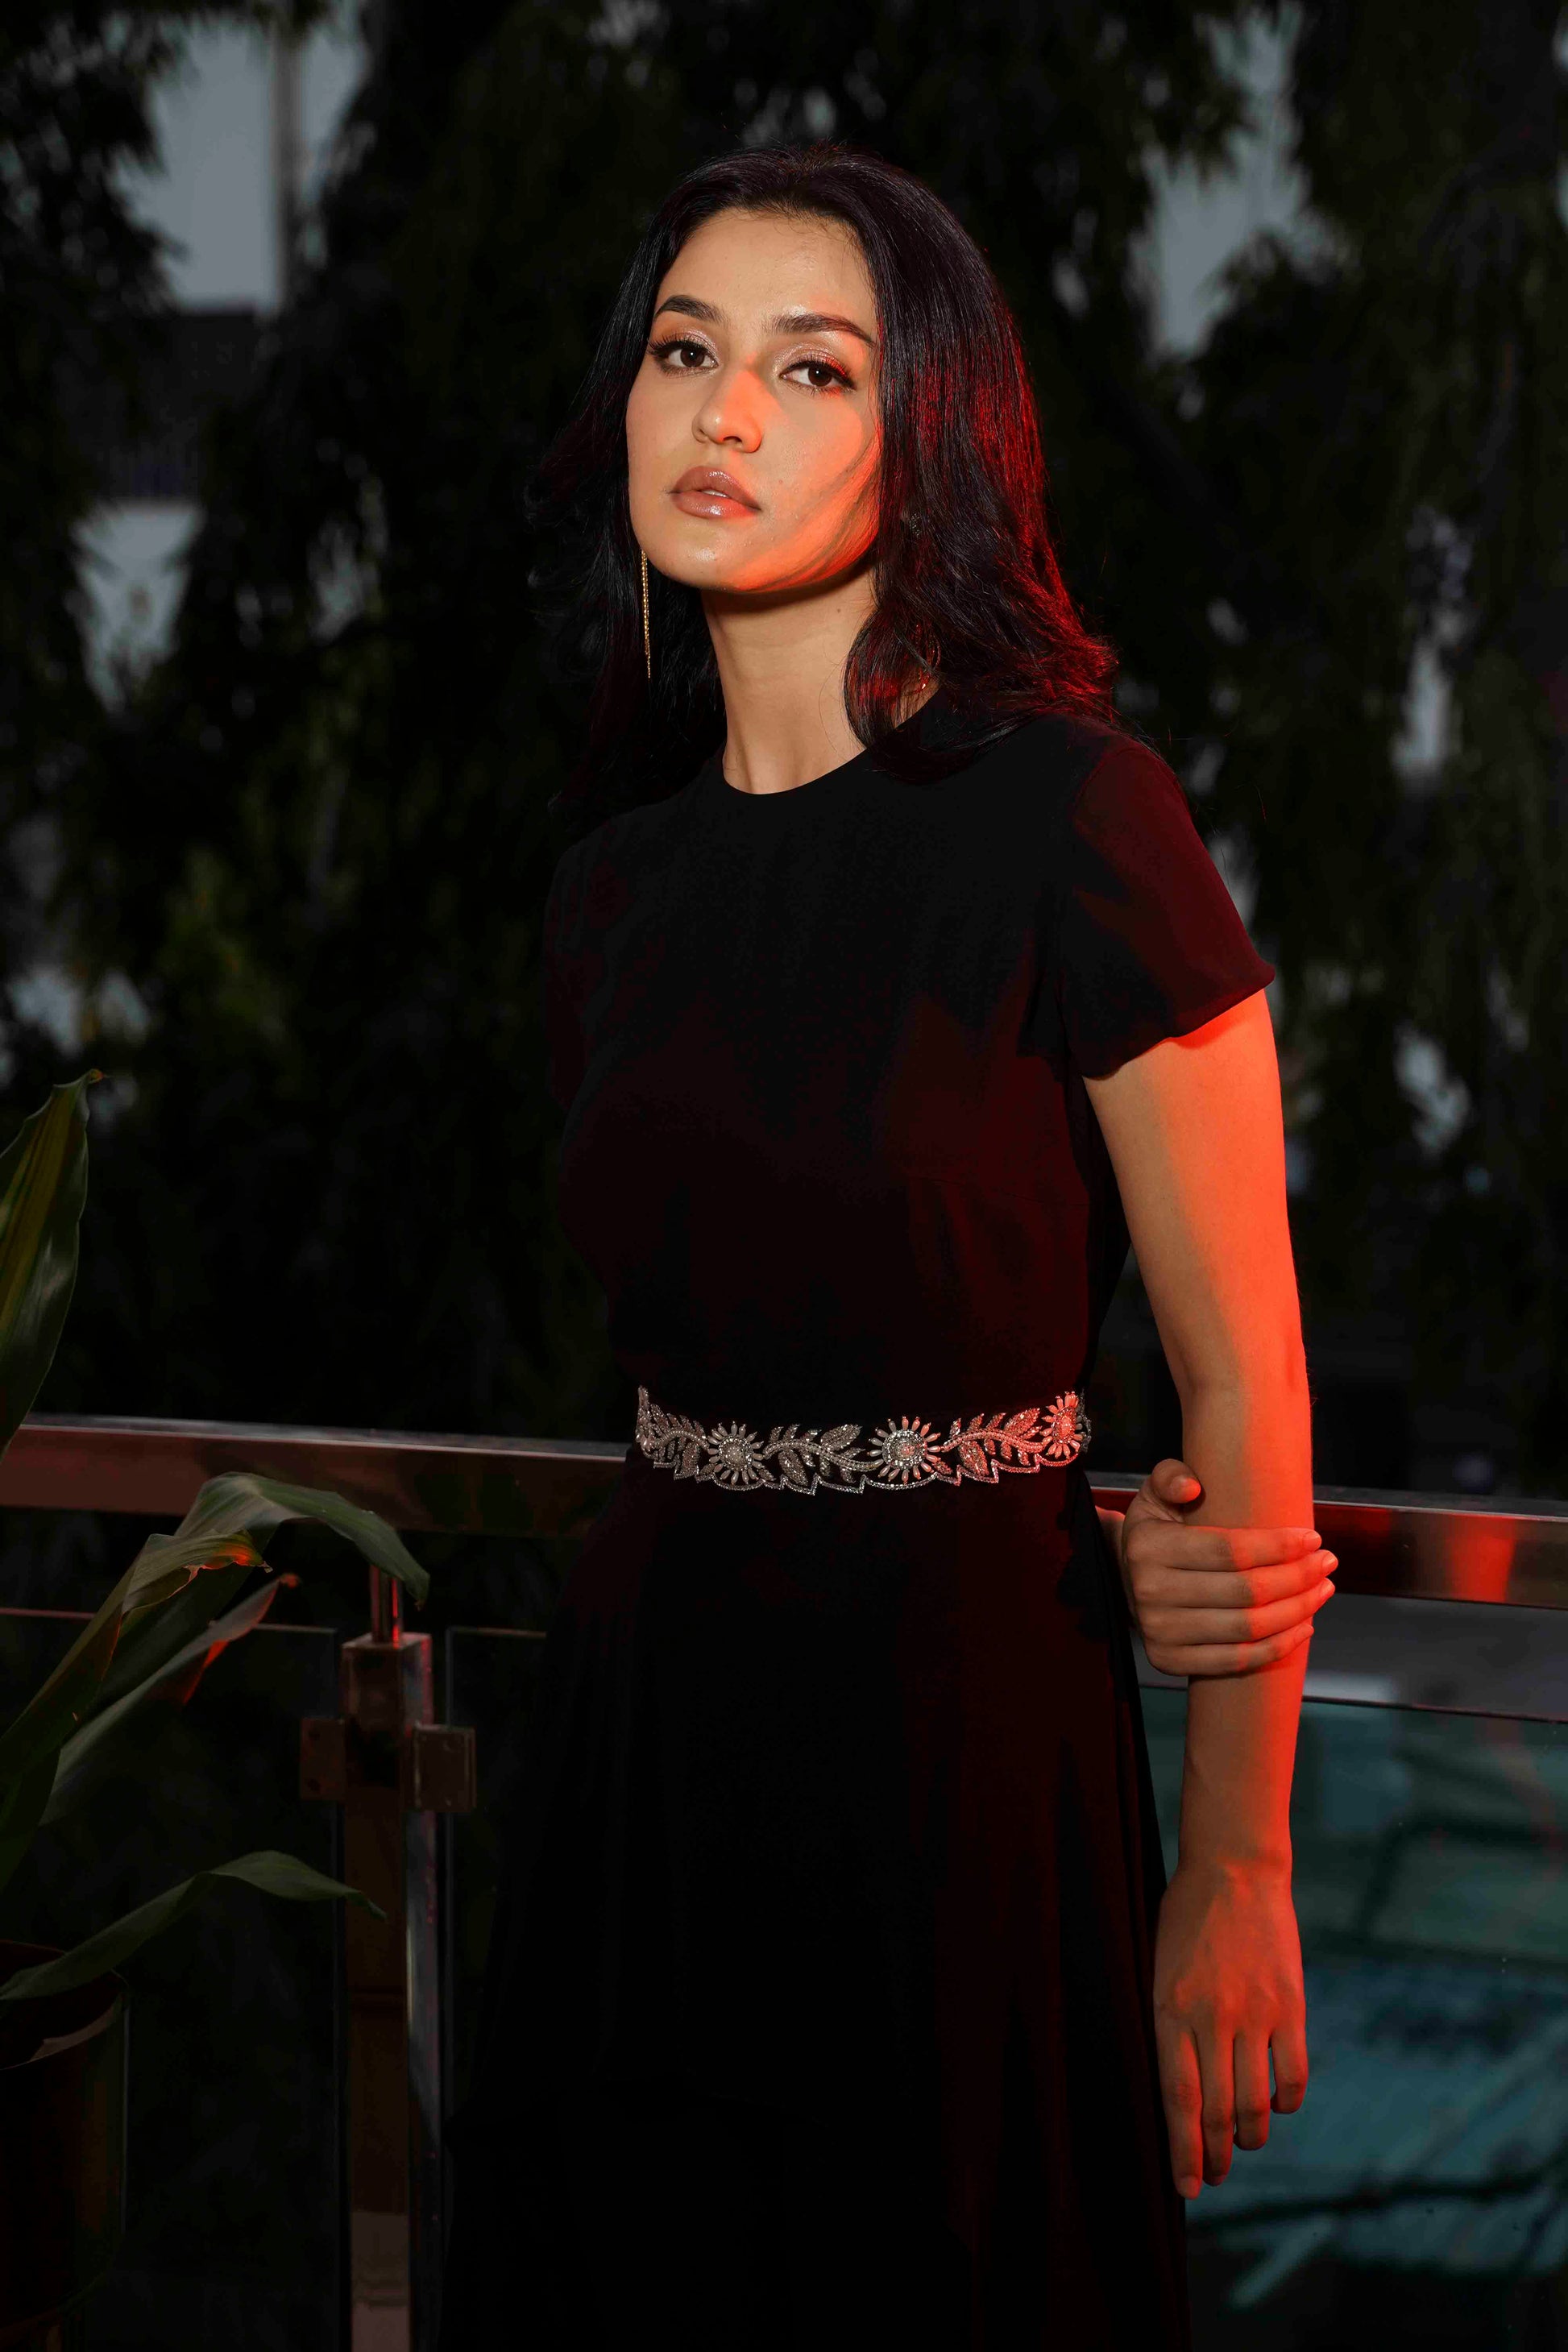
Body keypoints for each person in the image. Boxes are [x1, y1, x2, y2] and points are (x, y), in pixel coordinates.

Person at [442, 145, 1334, 2350]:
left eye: (806, 369)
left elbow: (1239, 1395)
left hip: (966, 1752)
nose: (719, 416)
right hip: (645, 1750)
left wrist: (1233, 1866)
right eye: (682, 351)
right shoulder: (609, 892)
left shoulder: (1073, 819)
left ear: (927, 428)